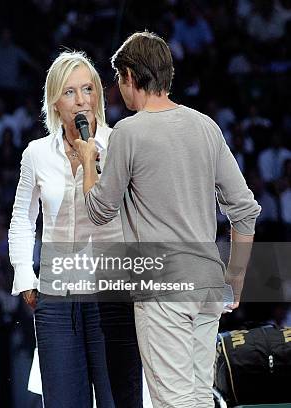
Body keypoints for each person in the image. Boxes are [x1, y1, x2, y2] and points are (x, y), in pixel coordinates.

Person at [72, 32, 261, 407]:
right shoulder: (206, 126)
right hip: (208, 283)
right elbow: (244, 209)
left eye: (118, 81)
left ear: (129, 75)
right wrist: (235, 277)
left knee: (175, 401)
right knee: (199, 398)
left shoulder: (129, 131)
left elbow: (98, 211)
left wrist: (86, 161)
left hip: (162, 287)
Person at [8, 51, 142, 408]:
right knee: (64, 400)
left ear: (99, 94)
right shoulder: (37, 153)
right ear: (55, 100)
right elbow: (23, 218)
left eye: (88, 89)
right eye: (70, 92)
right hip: (57, 293)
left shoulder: (121, 144)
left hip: (111, 288)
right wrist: (25, 274)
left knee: (117, 398)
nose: (81, 100)